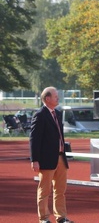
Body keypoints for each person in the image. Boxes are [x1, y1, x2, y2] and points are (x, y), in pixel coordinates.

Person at [29, 87, 73, 223]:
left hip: (60, 157)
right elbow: (34, 139)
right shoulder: (40, 115)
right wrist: (34, 160)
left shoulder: (57, 113)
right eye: (55, 96)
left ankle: (61, 217)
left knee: (60, 190)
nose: (58, 98)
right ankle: (44, 218)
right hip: (46, 159)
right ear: (47, 99)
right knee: (44, 190)